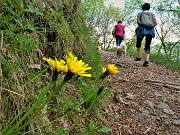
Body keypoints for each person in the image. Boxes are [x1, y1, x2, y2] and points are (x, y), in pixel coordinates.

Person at [135, 3, 157, 67]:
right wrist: (151, 26)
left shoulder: (140, 13)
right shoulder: (152, 14)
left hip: (142, 29)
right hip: (150, 30)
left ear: (143, 7)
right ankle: (147, 61)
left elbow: (138, 21)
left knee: (138, 42)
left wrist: (142, 25)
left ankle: (139, 56)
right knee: (148, 45)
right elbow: (155, 23)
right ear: (149, 8)